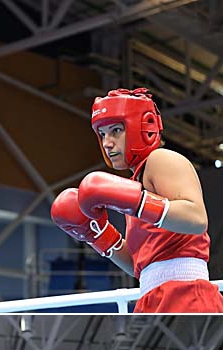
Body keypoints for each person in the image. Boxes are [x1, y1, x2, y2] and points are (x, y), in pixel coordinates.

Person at [51, 87, 223, 313]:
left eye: (115, 130)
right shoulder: (136, 185)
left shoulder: (161, 160)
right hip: (151, 296)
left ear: (144, 127)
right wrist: (99, 235)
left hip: (185, 292)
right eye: (102, 134)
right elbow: (138, 265)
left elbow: (196, 218)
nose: (107, 143)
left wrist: (138, 202)